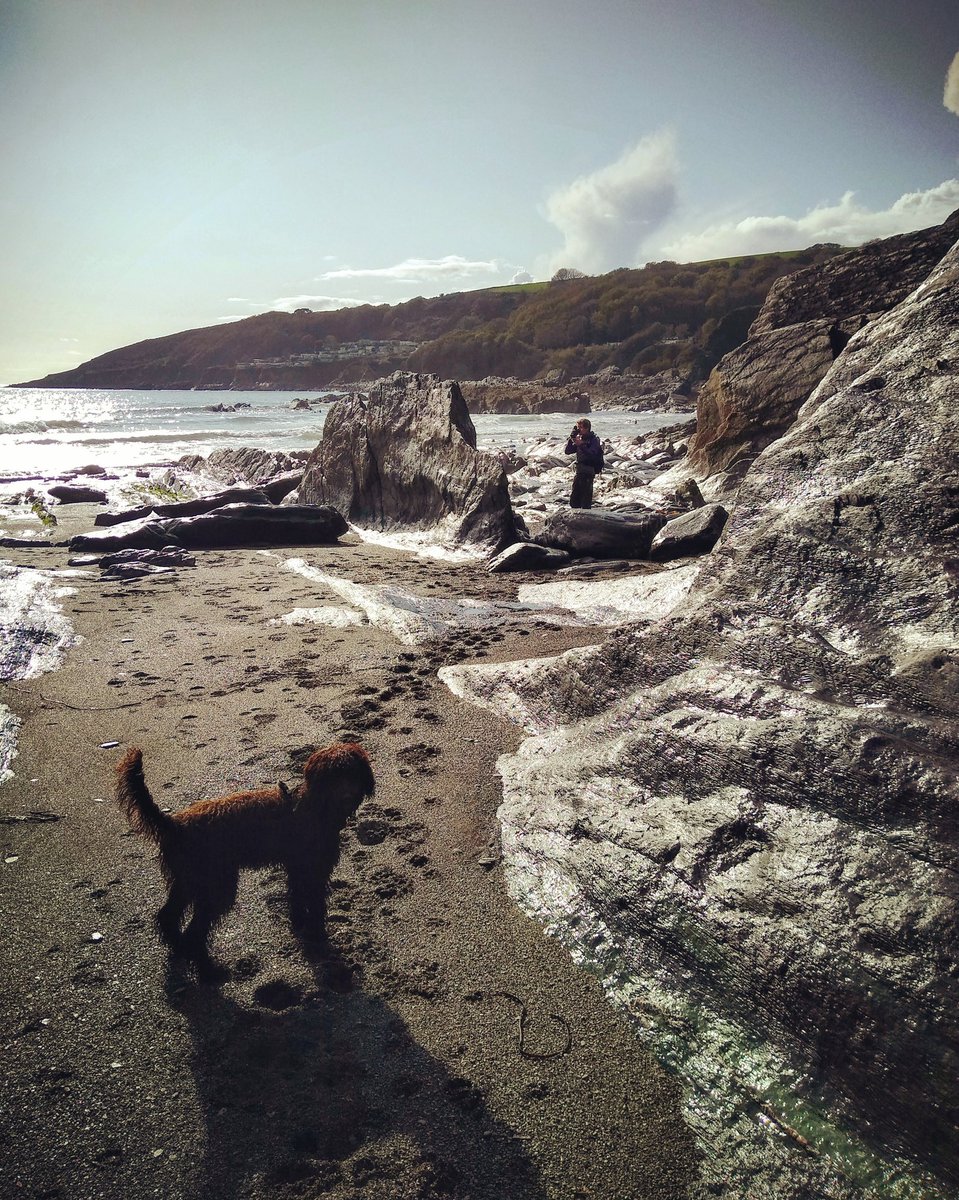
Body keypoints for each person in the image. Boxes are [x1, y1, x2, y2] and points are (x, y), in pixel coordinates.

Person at [564, 418, 604, 509]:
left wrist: (581, 445)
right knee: (574, 499)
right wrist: (572, 439)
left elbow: (592, 454)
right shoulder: (579, 439)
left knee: (585, 499)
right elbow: (568, 451)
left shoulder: (594, 440)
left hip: (589, 471)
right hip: (579, 471)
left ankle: (586, 519)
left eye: (580, 427)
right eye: (578, 427)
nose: (579, 430)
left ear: (587, 428)